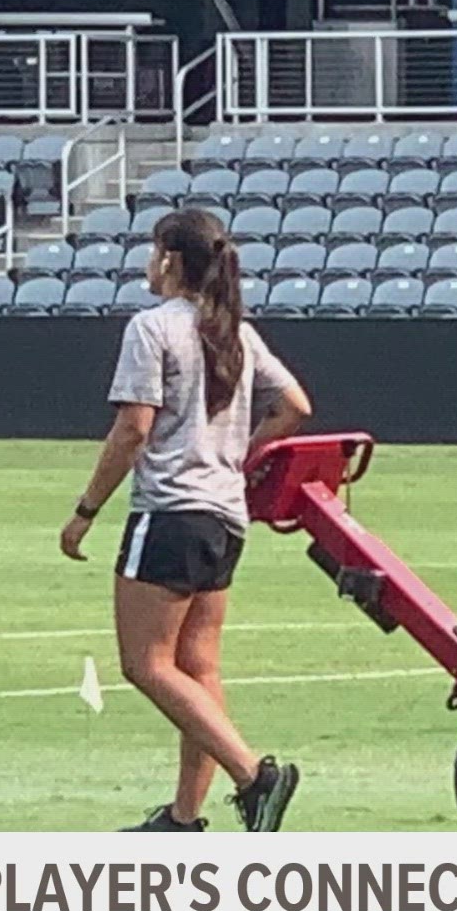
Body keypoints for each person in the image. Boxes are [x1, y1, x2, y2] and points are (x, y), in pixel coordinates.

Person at [59, 208, 313, 833]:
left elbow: (132, 429)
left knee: (145, 664)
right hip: (225, 517)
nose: (147, 262)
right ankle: (182, 818)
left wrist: (85, 511)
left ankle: (254, 775)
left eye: (152, 251)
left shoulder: (154, 328)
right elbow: (296, 406)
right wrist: (237, 457)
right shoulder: (235, 333)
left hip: (170, 512)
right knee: (198, 669)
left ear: (171, 259)